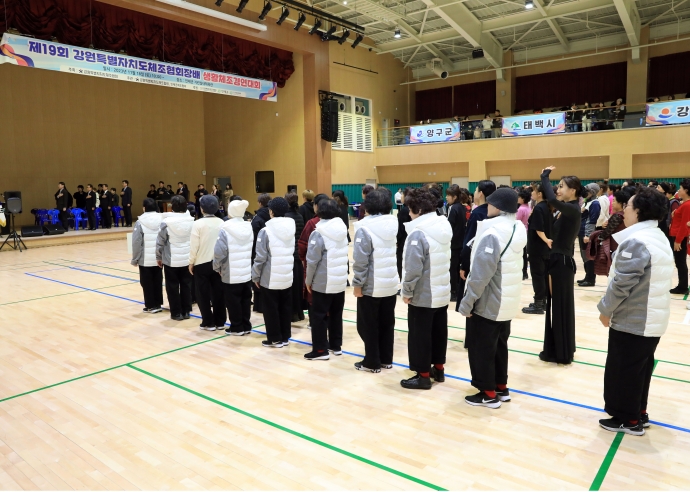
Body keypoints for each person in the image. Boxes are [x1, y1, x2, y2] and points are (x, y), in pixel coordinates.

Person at [597, 187, 673, 436]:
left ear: (638, 211)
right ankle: (638, 412)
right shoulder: (657, 236)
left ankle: (627, 419)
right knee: (639, 369)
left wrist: (605, 309)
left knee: (624, 370)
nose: (624, 210)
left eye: (628, 206)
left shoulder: (637, 241)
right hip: (650, 318)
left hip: (635, 319)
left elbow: (622, 283)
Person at [458, 187, 527, 408]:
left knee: (482, 348)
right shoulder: (517, 228)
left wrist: (467, 302)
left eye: (489, 203)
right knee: (499, 346)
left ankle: (487, 393)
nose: (486, 206)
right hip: (507, 300)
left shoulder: (492, 233)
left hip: (490, 301)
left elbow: (480, 275)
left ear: (497, 207)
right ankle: (500, 387)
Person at [400, 187, 452, 390]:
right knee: (439, 332)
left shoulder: (418, 234)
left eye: (410, 208)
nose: (408, 212)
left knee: (420, 336)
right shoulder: (442, 225)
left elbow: (413, 268)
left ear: (419, 210)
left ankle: (422, 376)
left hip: (424, 294)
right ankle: (438, 369)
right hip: (441, 291)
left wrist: (407, 291)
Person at [538, 167, 583, 365]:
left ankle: (561, 352)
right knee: (558, 307)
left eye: (561, 186)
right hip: (559, 260)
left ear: (573, 190)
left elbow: (551, 199)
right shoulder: (568, 209)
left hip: (561, 262)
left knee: (559, 307)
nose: (558, 189)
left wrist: (544, 177)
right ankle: (559, 348)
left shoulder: (572, 208)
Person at [352, 189, 399, 373]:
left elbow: (361, 260)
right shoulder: (392, 223)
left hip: (372, 285)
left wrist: (358, 284)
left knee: (367, 325)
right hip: (390, 282)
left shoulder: (364, 228)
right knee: (387, 323)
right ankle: (386, 359)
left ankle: (372, 362)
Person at [304, 199, 349, 360]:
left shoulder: (318, 232)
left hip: (323, 281)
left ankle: (320, 350)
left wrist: (308, 280)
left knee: (319, 316)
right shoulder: (342, 228)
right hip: (339, 279)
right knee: (336, 314)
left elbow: (312, 261)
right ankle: (336, 346)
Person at [252, 197, 296, 348]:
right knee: (285, 307)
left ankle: (275, 338)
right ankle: (285, 336)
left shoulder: (265, 231)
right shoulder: (291, 227)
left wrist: (255, 275)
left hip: (270, 276)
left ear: (271, 211)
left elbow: (260, 257)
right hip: (287, 273)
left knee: (271, 309)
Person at [214, 199, 254, 336]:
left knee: (233, 301)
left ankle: (236, 327)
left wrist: (216, 266)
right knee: (245, 299)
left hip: (231, 271)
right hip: (246, 269)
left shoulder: (225, 228)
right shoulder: (248, 226)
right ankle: (246, 325)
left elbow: (219, 251)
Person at [189, 195, 226, 331]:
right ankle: (220, 321)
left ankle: (208, 322)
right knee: (218, 293)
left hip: (201, 263)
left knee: (202, 294)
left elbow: (194, 246)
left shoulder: (197, 224)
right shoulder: (222, 222)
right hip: (218, 263)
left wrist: (191, 262)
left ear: (202, 209)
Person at [156, 195, 195, 321]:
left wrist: (158, 256)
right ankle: (186, 310)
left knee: (172, 287)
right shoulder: (192, 220)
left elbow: (160, 242)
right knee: (186, 285)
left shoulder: (166, 222)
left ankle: (176, 313)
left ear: (172, 206)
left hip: (171, 260)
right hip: (187, 258)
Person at [459, 180, 496, 302]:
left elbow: (470, 242)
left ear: (480, 194)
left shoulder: (477, 213)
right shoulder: (496, 212)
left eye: (475, 190)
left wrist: (464, 265)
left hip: (475, 261)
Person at [298, 194, 330, 323]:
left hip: (316, 268)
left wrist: (302, 259)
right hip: (334, 270)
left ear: (316, 206)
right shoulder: (337, 224)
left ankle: (315, 322)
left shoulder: (313, 223)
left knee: (314, 294)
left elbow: (302, 245)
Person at [523, 183, 553, 315]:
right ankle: (543, 301)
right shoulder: (547, 206)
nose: (532, 193)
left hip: (537, 247)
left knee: (538, 276)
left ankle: (538, 303)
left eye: (534, 191)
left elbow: (539, 229)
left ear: (540, 194)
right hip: (544, 248)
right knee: (543, 275)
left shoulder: (539, 208)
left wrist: (545, 239)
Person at [130, 198, 164, 313]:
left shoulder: (140, 222)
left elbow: (136, 242)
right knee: (158, 281)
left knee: (146, 282)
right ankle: (158, 304)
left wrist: (135, 259)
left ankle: (151, 305)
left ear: (144, 208)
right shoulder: (162, 219)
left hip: (145, 259)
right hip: (159, 257)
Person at [285, 192, 305, 323]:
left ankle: (292, 313)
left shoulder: (286, 218)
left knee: (291, 288)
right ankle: (300, 313)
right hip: (298, 256)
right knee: (298, 287)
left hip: (290, 255)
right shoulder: (299, 216)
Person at [251, 193, 272, 313]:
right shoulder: (273, 216)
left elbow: (253, 237)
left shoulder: (257, 218)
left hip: (258, 250)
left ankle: (259, 305)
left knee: (258, 275)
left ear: (260, 203)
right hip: (272, 251)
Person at [445, 185, 467, 303]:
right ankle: (458, 290)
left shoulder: (453, 208)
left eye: (448, 195)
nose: (446, 197)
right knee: (457, 267)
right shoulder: (461, 207)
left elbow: (450, 227)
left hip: (454, 243)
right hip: (460, 242)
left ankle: (453, 291)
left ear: (454, 197)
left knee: (453, 268)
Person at [669, 179, 690, 295]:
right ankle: (682, 285)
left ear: (686, 190)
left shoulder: (687, 205)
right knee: (679, 262)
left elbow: (684, 225)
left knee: (680, 262)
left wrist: (678, 241)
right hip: (677, 236)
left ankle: (683, 287)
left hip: (679, 237)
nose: (679, 190)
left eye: (681, 188)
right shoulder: (684, 204)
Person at [396, 188, 412, 282]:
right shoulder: (414, 209)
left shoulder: (404, 211)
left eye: (403, 194)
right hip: (410, 240)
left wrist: (397, 241)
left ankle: (403, 283)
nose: (401, 196)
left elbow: (400, 229)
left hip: (403, 241)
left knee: (401, 263)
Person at [516, 188, 531, 280]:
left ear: (523, 198)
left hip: (520, 232)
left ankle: (522, 272)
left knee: (521, 253)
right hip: (526, 231)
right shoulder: (528, 207)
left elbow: (516, 221)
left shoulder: (521, 209)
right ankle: (525, 272)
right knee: (524, 253)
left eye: (519, 197)